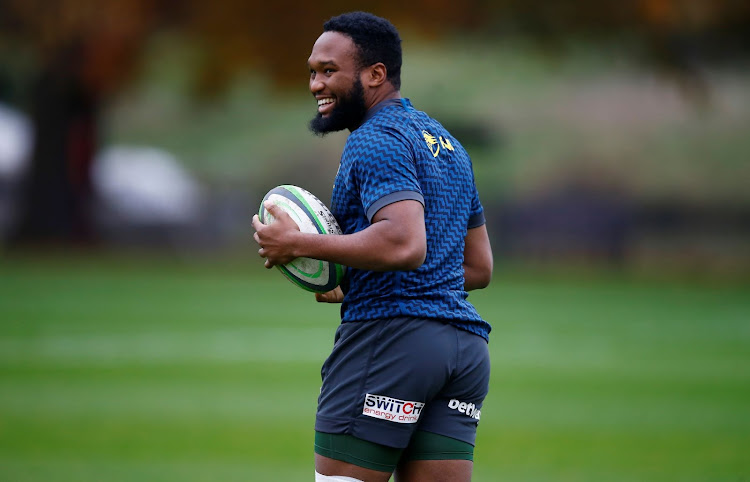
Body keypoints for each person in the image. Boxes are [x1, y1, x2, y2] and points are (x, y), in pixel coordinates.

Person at [251, 11, 493, 482]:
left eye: (328, 71)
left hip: (392, 343)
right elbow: (478, 267)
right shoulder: (445, 144)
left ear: (375, 74)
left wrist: (296, 243)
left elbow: (405, 244)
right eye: (312, 71)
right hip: (462, 354)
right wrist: (359, 279)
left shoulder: (374, 140)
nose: (315, 84)